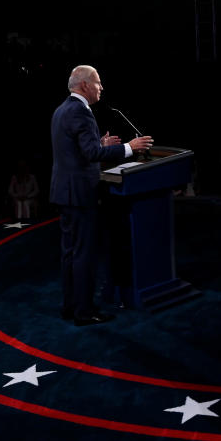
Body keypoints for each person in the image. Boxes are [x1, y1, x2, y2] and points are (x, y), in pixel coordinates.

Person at [50, 65, 153, 325]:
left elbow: (79, 149)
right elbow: (91, 155)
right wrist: (129, 148)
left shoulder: (62, 109)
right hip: (80, 195)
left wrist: (101, 144)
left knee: (70, 253)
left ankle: (70, 306)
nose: (101, 88)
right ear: (84, 85)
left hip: (64, 192)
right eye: (97, 83)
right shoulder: (80, 112)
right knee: (83, 254)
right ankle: (84, 313)